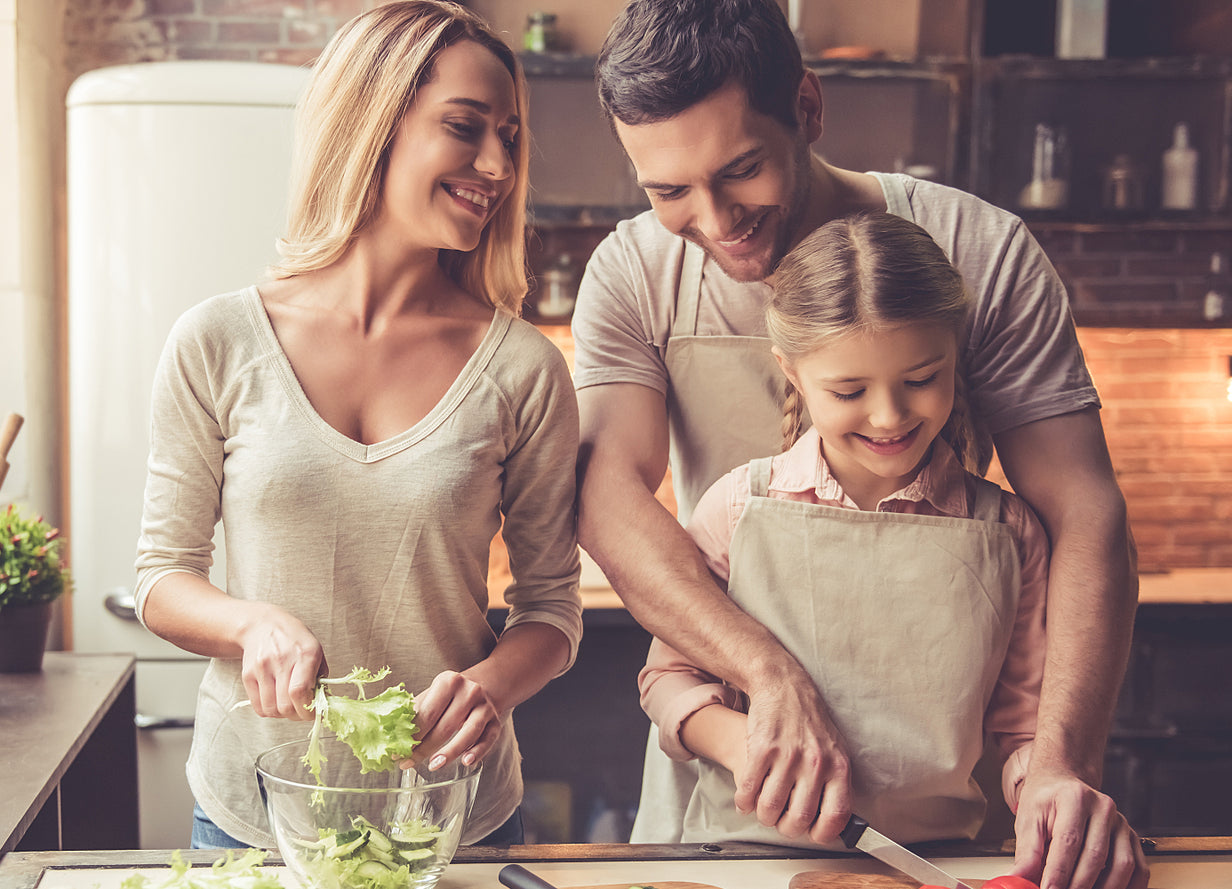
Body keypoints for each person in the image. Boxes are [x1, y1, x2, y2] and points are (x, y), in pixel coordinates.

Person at [574, 2, 1143, 887]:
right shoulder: (632, 272)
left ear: (806, 108)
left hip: (940, 828)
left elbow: (1083, 510)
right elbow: (606, 496)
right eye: (669, 191)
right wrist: (765, 675)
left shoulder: (980, 253)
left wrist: (1060, 761)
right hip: (730, 808)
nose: (715, 219)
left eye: (741, 170)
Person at [133, 0, 582, 851]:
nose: (496, 163)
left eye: (510, 136)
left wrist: (492, 684)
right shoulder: (218, 340)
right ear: (374, 124)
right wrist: (249, 623)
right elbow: (162, 576)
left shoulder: (523, 368)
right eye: (465, 127)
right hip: (256, 816)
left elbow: (552, 611)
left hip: (450, 816)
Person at [641, 210, 1051, 852]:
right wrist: (739, 743)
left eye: (921, 380)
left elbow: (1025, 729)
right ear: (794, 374)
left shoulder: (1009, 532)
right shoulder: (737, 508)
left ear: (954, 358)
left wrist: (1047, 788)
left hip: (936, 862)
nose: (888, 416)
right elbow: (668, 679)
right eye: (849, 390)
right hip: (751, 861)